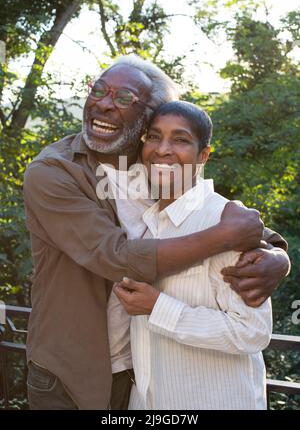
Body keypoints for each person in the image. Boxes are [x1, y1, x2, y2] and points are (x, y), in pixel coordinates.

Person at [23, 56, 289, 410]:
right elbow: (116, 257)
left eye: (123, 98)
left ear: (149, 116)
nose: (103, 103)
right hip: (69, 374)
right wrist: (224, 238)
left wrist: (277, 254)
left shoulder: (152, 161)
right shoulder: (53, 172)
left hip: (141, 373)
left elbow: (213, 209)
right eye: (99, 90)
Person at [114, 101, 275, 409]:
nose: (163, 149)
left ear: (203, 156)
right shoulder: (143, 222)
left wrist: (158, 307)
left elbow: (252, 332)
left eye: (181, 139)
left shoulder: (227, 223)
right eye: (154, 136)